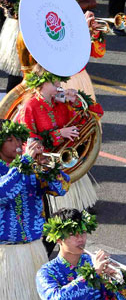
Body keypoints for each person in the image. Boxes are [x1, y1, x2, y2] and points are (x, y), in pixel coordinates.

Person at [0, 122, 66, 300]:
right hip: (7, 252)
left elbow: (61, 188)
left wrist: (48, 166)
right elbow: (3, 194)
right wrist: (24, 164)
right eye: (12, 140)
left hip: (33, 248)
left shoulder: (28, 166)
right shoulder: (11, 169)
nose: (18, 145)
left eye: (21, 140)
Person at [16, 66, 105, 214]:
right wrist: (58, 134)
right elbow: (29, 142)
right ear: (42, 84)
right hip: (46, 169)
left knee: (77, 215)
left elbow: (95, 114)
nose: (59, 85)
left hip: (68, 164)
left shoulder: (62, 103)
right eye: (55, 82)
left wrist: (77, 102)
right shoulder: (30, 107)